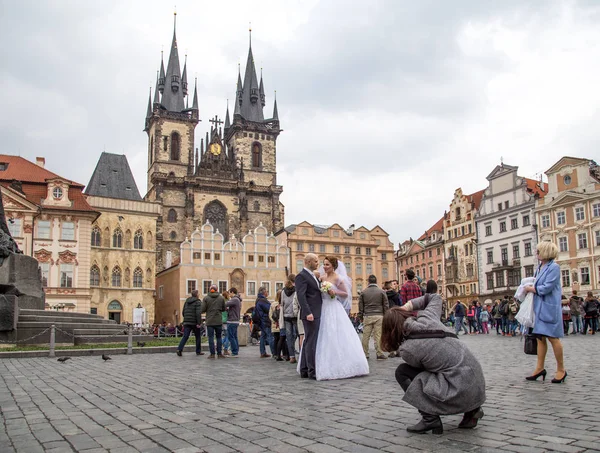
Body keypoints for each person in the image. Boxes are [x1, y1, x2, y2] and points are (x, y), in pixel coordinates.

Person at [381, 280, 486, 434]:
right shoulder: (428, 317)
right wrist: (408, 306)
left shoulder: (408, 350)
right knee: (448, 365)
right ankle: (472, 410)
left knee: (403, 371)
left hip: (459, 390)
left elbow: (425, 373)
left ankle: (430, 418)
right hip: (478, 385)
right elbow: (435, 297)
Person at [299, 255, 369, 381]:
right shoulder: (320, 277)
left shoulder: (338, 278)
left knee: (334, 336)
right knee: (318, 338)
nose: (324, 267)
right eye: (323, 264)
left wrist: (334, 292)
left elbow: (345, 294)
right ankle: (312, 366)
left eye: (327, 265)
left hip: (333, 307)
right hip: (321, 309)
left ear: (333, 266)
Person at [524, 242, 566, 383]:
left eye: (539, 251)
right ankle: (539, 368)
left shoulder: (554, 267)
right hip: (539, 308)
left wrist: (531, 289)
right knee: (540, 338)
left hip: (548, 307)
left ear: (546, 252)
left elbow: (547, 287)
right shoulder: (540, 268)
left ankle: (561, 370)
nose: (537, 253)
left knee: (553, 338)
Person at [296, 253, 322, 379]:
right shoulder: (302, 276)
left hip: (315, 311)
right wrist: (308, 312)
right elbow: (301, 296)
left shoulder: (312, 275)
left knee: (308, 341)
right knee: (311, 342)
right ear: (308, 262)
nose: (318, 263)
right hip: (311, 313)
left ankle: (304, 369)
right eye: (316, 261)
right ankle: (312, 371)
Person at [359, 274, 389, 359]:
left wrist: (361, 316)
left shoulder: (363, 292)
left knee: (366, 336)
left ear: (368, 282)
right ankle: (379, 353)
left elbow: (360, 306)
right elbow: (385, 305)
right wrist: (385, 315)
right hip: (379, 315)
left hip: (368, 315)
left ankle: (365, 353)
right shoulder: (381, 291)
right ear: (376, 281)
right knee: (378, 335)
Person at [201, 285, 227, 359]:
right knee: (219, 337)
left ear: (210, 290)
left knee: (211, 338)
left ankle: (212, 354)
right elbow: (224, 309)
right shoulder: (221, 298)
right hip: (218, 320)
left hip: (209, 321)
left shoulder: (206, 298)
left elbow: (203, 309)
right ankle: (219, 353)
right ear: (217, 290)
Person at [176, 290, 204, 356]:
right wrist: (199, 322)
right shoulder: (198, 302)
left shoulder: (186, 302)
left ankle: (179, 349)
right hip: (194, 322)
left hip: (186, 322)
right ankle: (198, 351)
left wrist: (186, 318)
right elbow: (198, 313)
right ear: (197, 295)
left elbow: (183, 312)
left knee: (185, 336)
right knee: (197, 336)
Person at [281, 274, 298, 364]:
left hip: (286, 315)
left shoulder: (283, 291)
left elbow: (282, 303)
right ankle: (299, 354)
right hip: (295, 315)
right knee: (298, 335)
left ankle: (292, 356)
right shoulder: (297, 290)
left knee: (289, 336)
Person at [256, 286, 275, 358]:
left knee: (263, 337)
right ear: (264, 292)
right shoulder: (263, 301)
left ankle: (262, 352)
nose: (267, 293)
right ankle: (274, 352)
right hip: (265, 320)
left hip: (261, 320)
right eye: (266, 291)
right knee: (270, 336)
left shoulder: (258, 299)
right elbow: (269, 309)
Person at [226, 287, 242, 357]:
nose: (229, 294)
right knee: (234, 336)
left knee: (231, 337)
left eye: (229, 293)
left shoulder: (234, 299)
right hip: (235, 320)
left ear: (232, 292)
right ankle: (236, 350)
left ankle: (234, 351)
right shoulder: (237, 299)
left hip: (232, 320)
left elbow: (226, 304)